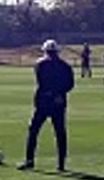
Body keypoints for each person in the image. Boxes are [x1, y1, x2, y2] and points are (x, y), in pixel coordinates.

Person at [16, 40, 74, 172]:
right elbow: (70, 84)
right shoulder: (65, 66)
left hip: (43, 102)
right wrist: (59, 93)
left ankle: (29, 161)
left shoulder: (40, 64)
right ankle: (61, 164)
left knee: (33, 131)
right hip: (59, 103)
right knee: (60, 133)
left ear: (45, 51)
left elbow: (41, 83)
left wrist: (51, 93)